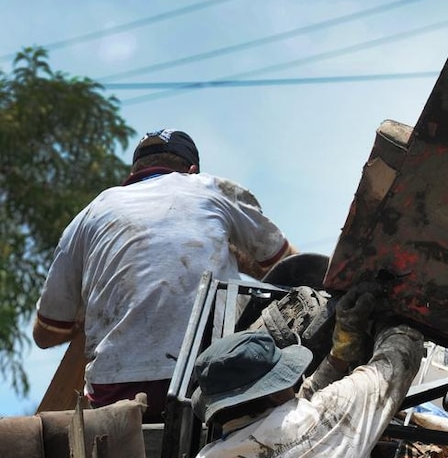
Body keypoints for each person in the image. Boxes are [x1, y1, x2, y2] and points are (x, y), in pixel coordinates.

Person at [32, 128, 297, 422]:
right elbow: (292, 267)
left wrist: (88, 313)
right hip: (210, 379)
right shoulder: (210, 188)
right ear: (192, 170)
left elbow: (45, 334)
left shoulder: (89, 215)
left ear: (135, 171)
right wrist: (235, 255)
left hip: (115, 394)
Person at [191, 284, 424, 458]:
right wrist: (383, 317)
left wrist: (340, 352)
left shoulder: (209, 454)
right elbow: (398, 362)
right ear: (274, 391)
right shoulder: (317, 421)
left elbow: (291, 413)